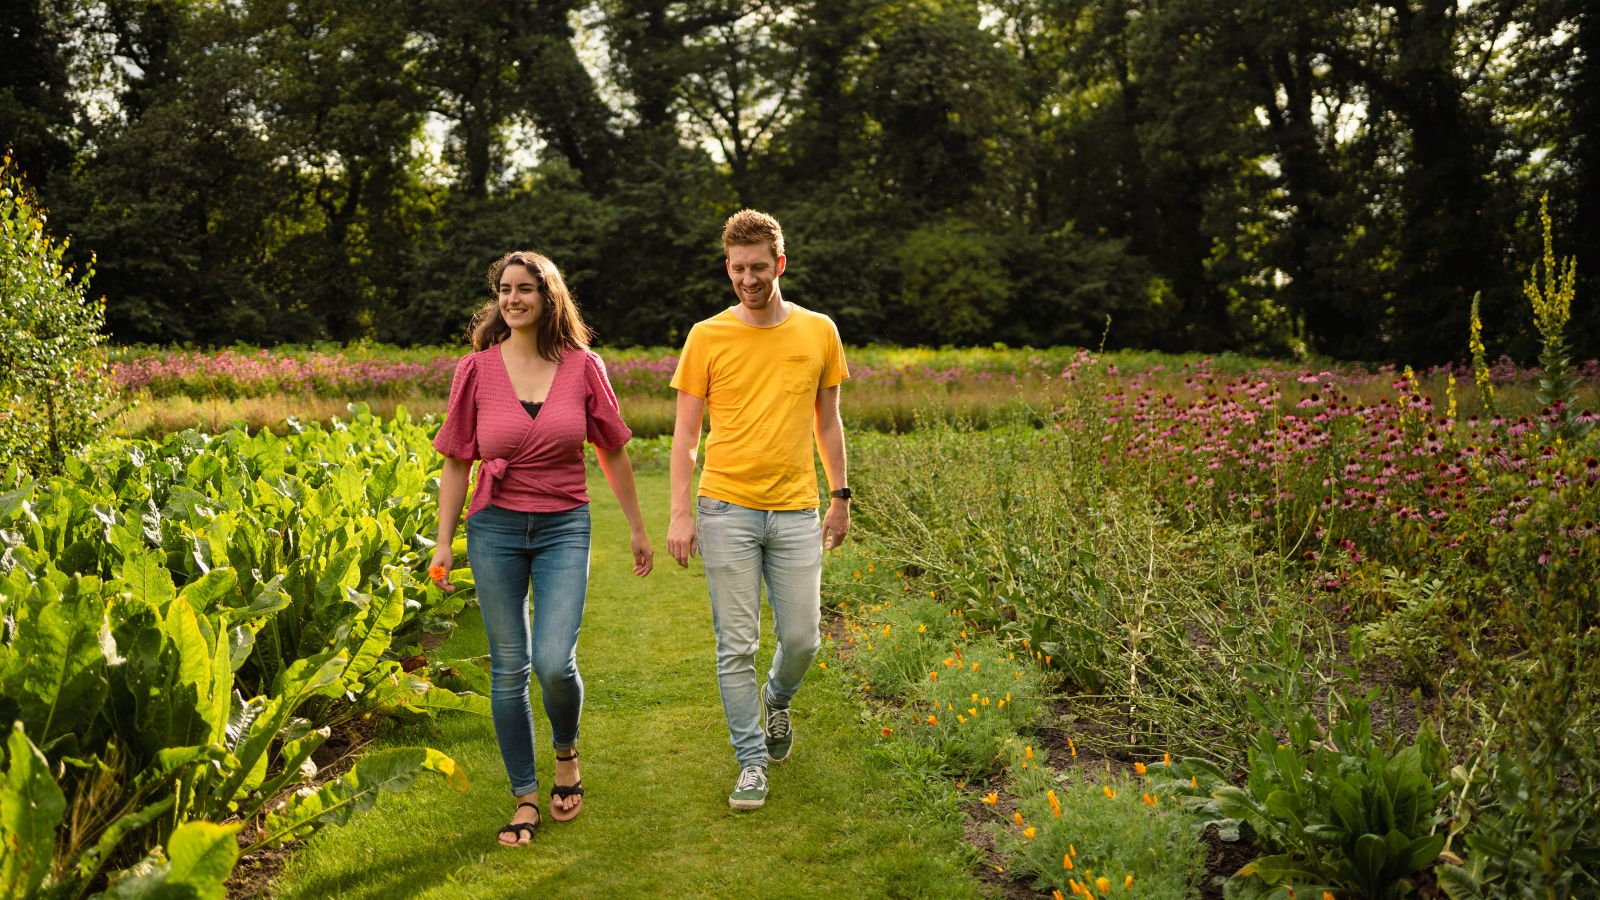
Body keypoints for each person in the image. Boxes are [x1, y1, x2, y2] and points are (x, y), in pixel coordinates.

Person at [430, 250, 654, 846]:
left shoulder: (584, 367)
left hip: (563, 527)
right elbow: (457, 460)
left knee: (555, 661)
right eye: (505, 289)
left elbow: (611, 449)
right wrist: (444, 542)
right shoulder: (475, 369)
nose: (512, 299)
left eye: (525, 288)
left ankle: (566, 752)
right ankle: (525, 797)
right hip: (494, 529)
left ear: (548, 297)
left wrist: (636, 527)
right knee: (509, 668)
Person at [667, 209, 851, 810]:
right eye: (738, 268)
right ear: (728, 268)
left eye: (759, 267)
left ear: (780, 264)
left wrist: (841, 496)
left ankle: (778, 698)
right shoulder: (707, 336)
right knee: (736, 645)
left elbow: (828, 421)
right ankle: (750, 762)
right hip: (726, 510)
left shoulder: (819, 331)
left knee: (803, 639)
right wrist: (680, 513)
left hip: (797, 509)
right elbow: (686, 436)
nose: (749, 279)